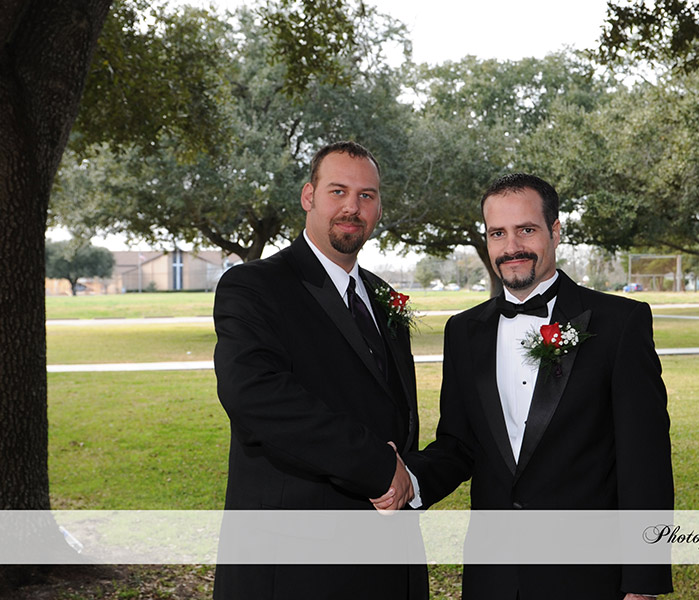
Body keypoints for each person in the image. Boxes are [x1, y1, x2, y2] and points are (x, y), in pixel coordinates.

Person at [394, 173, 674, 599]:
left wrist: (643, 582)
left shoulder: (619, 324)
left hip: (588, 578)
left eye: (526, 230)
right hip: (493, 578)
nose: (512, 247)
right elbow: (459, 445)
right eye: (498, 233)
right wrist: (409, 478)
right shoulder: (463, 331)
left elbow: (645, 461)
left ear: (555, 231)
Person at [213, 141, 426, 599]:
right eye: (338, 191)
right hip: (295, 560)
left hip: (389, 557)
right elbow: (254, 395)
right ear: (308, 196)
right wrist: (377, 465)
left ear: (378, 208)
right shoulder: (254, 286)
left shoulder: (383, 296)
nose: (353, 207)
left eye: (366, 195)